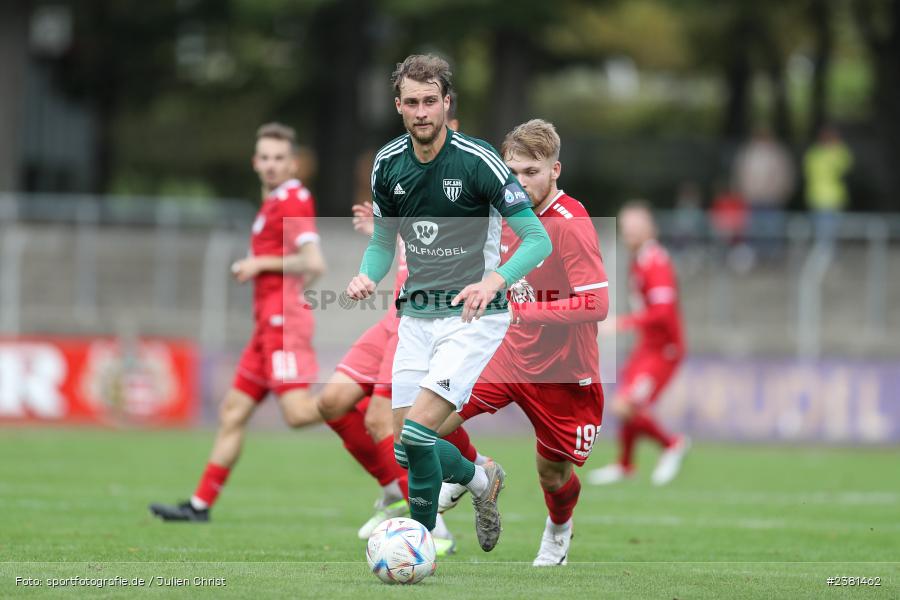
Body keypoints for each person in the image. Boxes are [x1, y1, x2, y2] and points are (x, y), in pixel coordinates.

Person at [345, 54, 551, 552]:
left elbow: (536, 239)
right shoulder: (387, 164)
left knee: (416, 435)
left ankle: (416, 545)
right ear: (398, 106)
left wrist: (493, 281)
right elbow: (380, 244)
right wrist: (365, 277)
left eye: (430, 101)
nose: (421, 111)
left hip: (471, 317)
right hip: (415, 316)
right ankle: (482, 481)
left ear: (446, 104)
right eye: (411, 102)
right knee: (404, 446)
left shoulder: (478, 161)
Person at [435, 119, 609, 566]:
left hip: (562, 372)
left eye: (531, 171)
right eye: (512, 171)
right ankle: (475, 475)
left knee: (552, 476)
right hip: (506, 354)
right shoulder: (505, 214)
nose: (520, 181)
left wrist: (522, 311)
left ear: (555, 170)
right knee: (427, 422)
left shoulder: (571, 223)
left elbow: (596, 305)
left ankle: (558, 529)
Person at [150, 123, 326, 521]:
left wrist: (260, 264)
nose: (271, 165)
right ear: (254, 162)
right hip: (265, 327)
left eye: (279, 158)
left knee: (298, 414)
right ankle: (199, 506)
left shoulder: (293, 199)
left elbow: (314, 262)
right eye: (264, 157)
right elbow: (305, 270)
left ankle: (360, 401)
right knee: (232, 411)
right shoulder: (273, 202)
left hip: (281, 324)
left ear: (293, 163)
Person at [588, 201, 689, 487]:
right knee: (625, 404)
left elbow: (664, 311)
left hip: (664, 349)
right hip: (648, 346)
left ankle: (672, 444)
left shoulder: (655, 262)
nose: (629, 233)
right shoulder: (642, 259)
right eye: (626, 228)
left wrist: (622, 323)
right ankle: (625, 465)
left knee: (624, 405)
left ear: (650, 229)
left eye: (635, 228)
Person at [803, 125, 853, 247]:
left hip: (832, 198)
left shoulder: (831, 152)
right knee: (824, 233)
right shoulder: (816, 153)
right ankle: (825, 257)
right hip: (820, 198)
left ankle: (828, 257)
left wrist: (836, 148)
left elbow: (847, 165)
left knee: (832, 232)